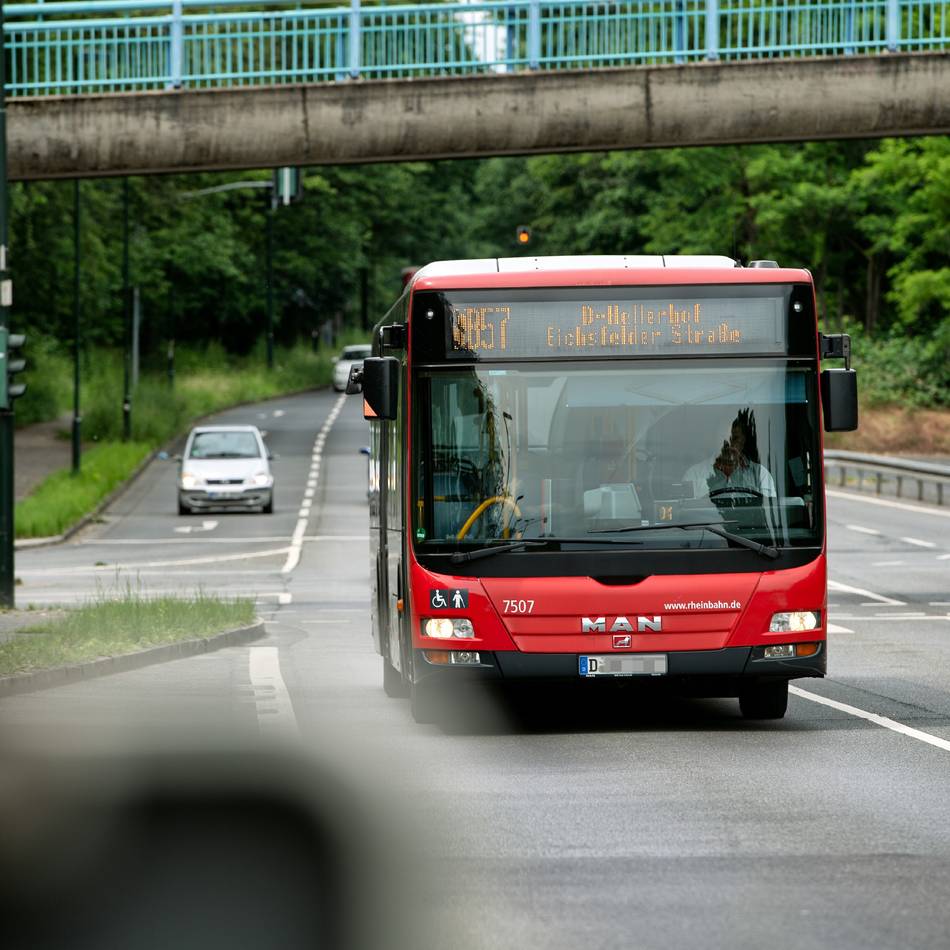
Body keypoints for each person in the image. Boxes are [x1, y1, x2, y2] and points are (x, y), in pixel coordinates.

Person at [683, 410, 777, 500]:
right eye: (724, 437)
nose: (729, 443)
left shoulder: (761, 475)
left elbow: (767, 508)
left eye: (734, 438)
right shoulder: (694, 475)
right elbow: (685, 509)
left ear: (743, 441)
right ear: (714, 438)